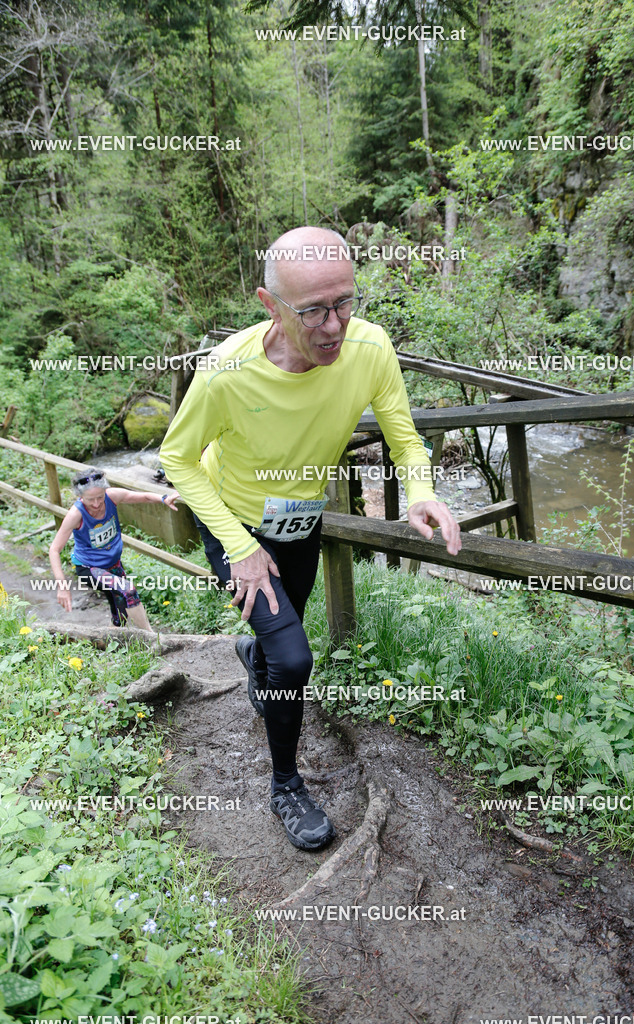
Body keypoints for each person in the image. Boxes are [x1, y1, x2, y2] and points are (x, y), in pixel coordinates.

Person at [159, 226, 461, 851]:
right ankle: (286, 784)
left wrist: (424, 489)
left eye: (345, 302)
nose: (334, 326)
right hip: (235, 524)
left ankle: (255, 658)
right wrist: (240, 549)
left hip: (299, 522)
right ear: (270, 306)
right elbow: (179, 459)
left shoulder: (371, 349)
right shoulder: (226, 375)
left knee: (278, 640)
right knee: (295, 657)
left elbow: (404, 436)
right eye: (314, 311)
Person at [49, 469, 179, 631]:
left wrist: (164, 499)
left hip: (113, 564)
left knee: (121, 614)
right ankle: (153, 639)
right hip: (89, 568)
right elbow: (54, 549)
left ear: (105, 492)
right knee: (128, 590)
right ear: (80, 497)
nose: (96, 504)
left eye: (100, 498)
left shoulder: (112, 496)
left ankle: (109, 640)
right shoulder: (76, 515)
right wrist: (62, 586)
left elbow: (143, 497)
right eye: (90, 500)